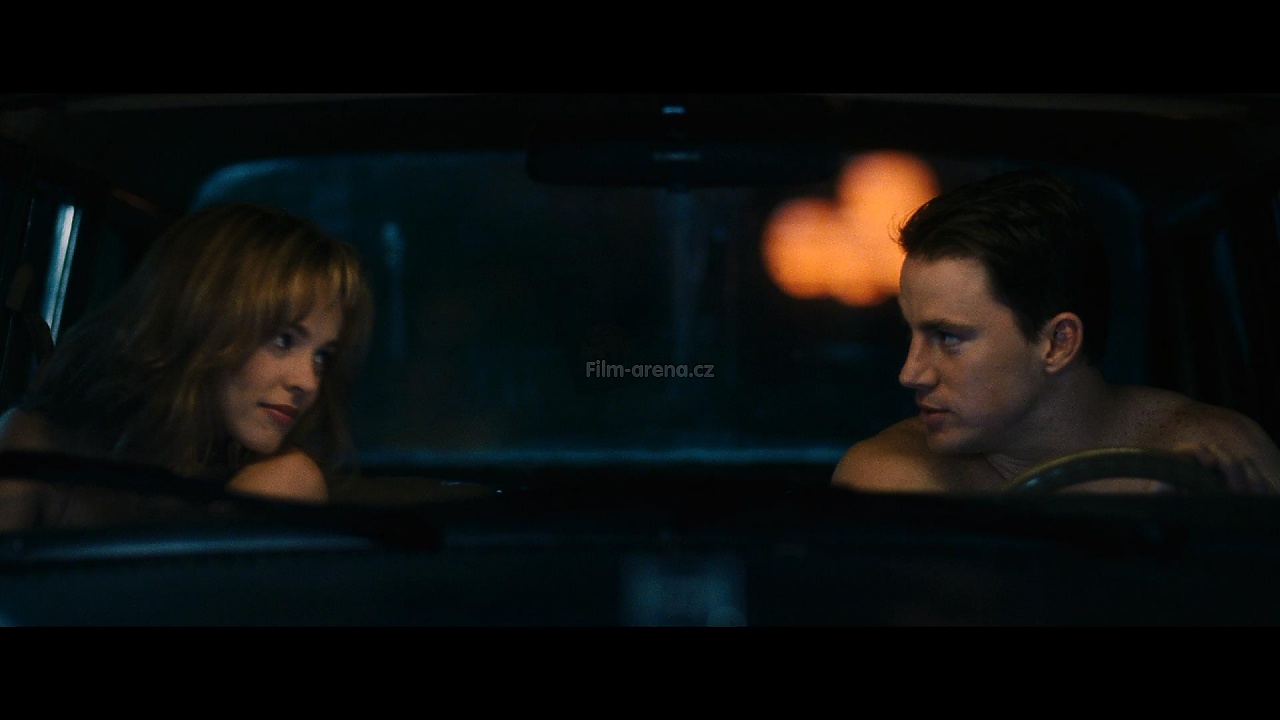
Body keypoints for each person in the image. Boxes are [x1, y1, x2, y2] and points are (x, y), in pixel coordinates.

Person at [831, 169, 1280, 494]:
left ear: (1057, 343)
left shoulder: (1224, 454)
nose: (910, 374)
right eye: (913, 334)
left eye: (947, 338)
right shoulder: (893, 480)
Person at [0, 202, 375, 528]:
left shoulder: (285, 480)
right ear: (202, 322)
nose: (308, 382)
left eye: (322, 356)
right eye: (284, 341)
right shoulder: (37, 441)